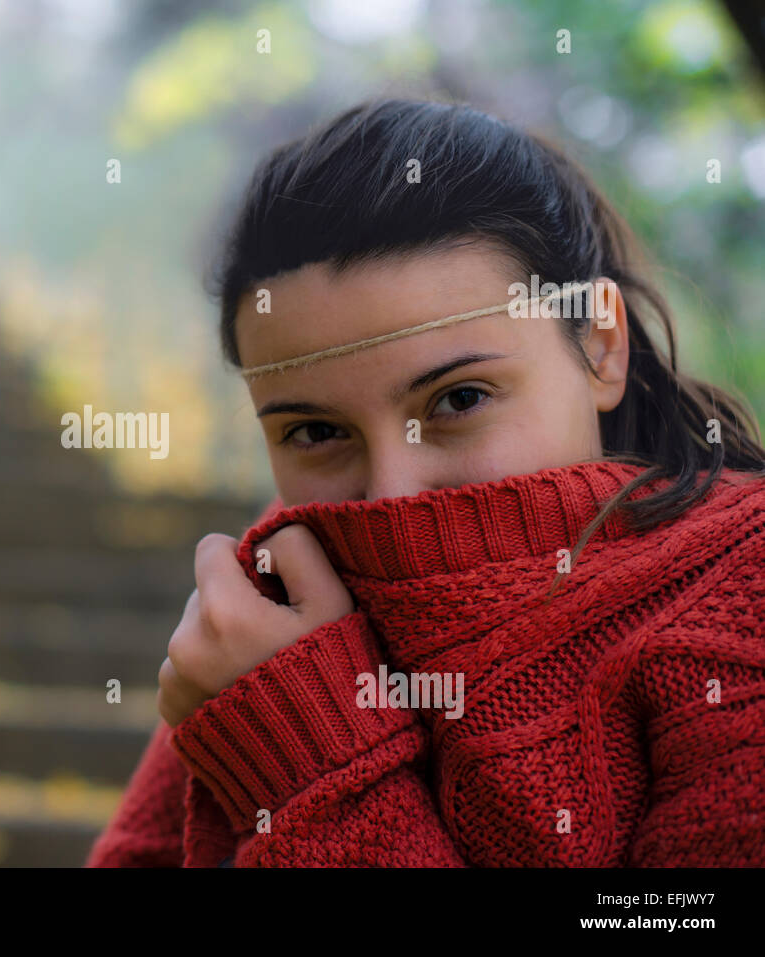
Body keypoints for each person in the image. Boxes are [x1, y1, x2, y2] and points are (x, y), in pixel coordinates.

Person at [86, 98, 765, 867]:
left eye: (458, 400)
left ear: (601, 347)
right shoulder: (279, 611)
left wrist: (317, 770)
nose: (392, 492)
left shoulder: (744, 599)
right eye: (315, 432)